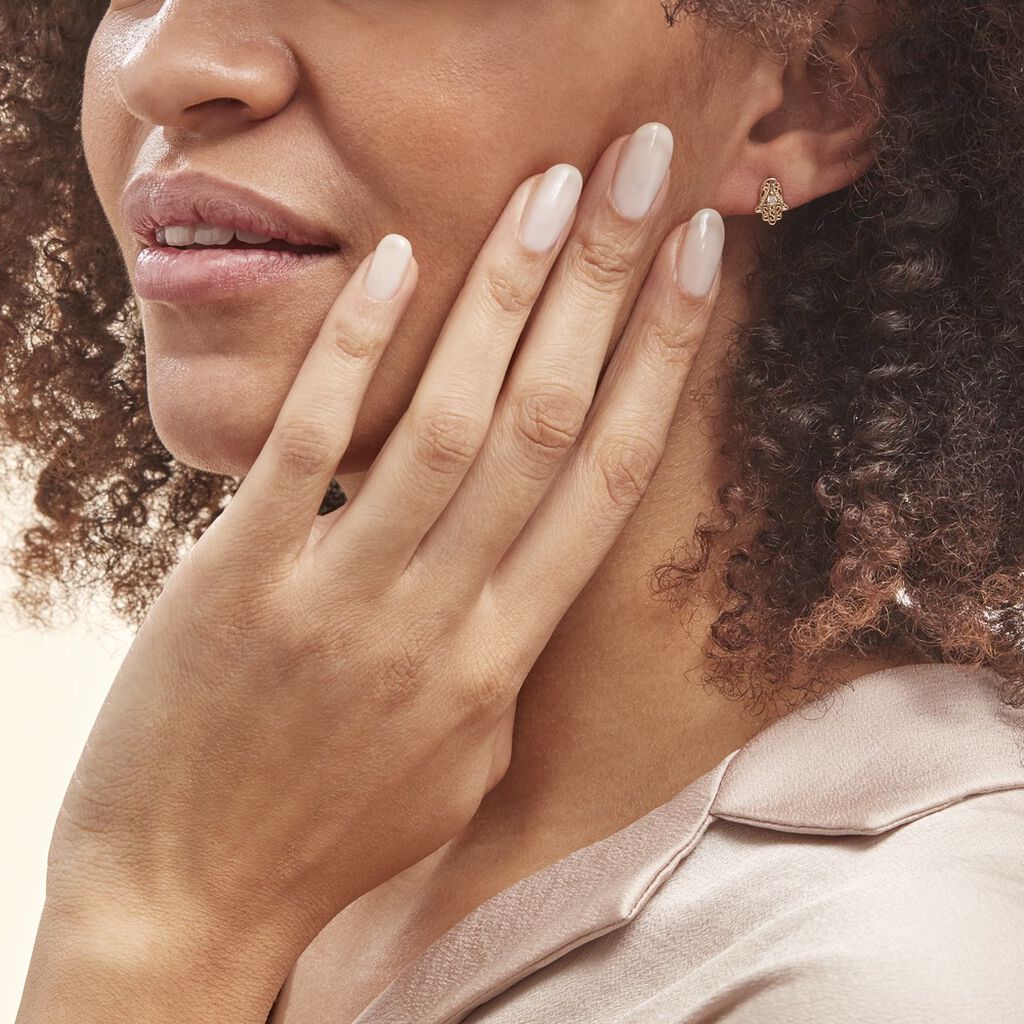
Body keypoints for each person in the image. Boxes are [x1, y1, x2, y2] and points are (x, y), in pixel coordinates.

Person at [6, 1, 1024, 1021]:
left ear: (808, 92)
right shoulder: (264, 820)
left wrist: (157, 928)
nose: (164, 64)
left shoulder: (892, 969)